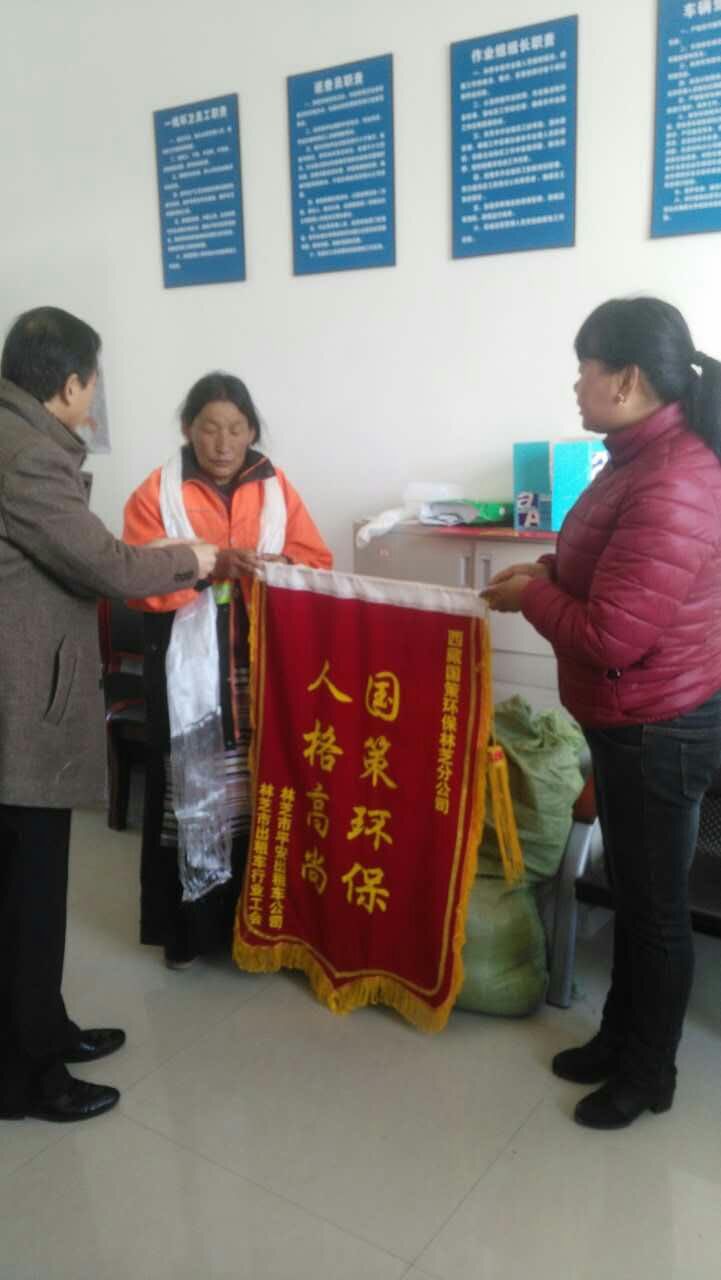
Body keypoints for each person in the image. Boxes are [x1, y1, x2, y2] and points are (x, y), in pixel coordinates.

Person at [483, 296, 721, 1130]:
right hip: (629, 717)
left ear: (624, 378)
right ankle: (619, 1037)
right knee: (632, 892)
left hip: (658, 723)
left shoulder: (675, 477)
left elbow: (613, 634)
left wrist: (530, 597)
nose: (575, 384)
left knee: (654, 910)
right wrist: (546, 573)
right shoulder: (634, 457)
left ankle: (648, 1074)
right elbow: (604, 568)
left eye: (583, 369)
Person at [0, 307, 218, 1123]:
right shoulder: (27, 455)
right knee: (27, 899)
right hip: (19, 706)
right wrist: (192, 557)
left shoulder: (16, 438)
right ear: (68, 385)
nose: (94, 398)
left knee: (25, 893)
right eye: (93, 383)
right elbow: (106, 567)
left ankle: (43, 1029)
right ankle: (30, 1080)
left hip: (22, 689)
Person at [123, 371, 332, 969]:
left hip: (257, 659)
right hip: (184, 665)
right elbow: (135, 577)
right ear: (189, 429)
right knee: (189, 790)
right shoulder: (156, 491)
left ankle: (254, 928)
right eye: (210, 428)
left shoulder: (275, 486)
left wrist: (276, 563)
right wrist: (210, 567)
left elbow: (317, 562)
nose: (223, 443)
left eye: (236, 429)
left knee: (256, 786)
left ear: (252, 431)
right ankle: (187, 932)